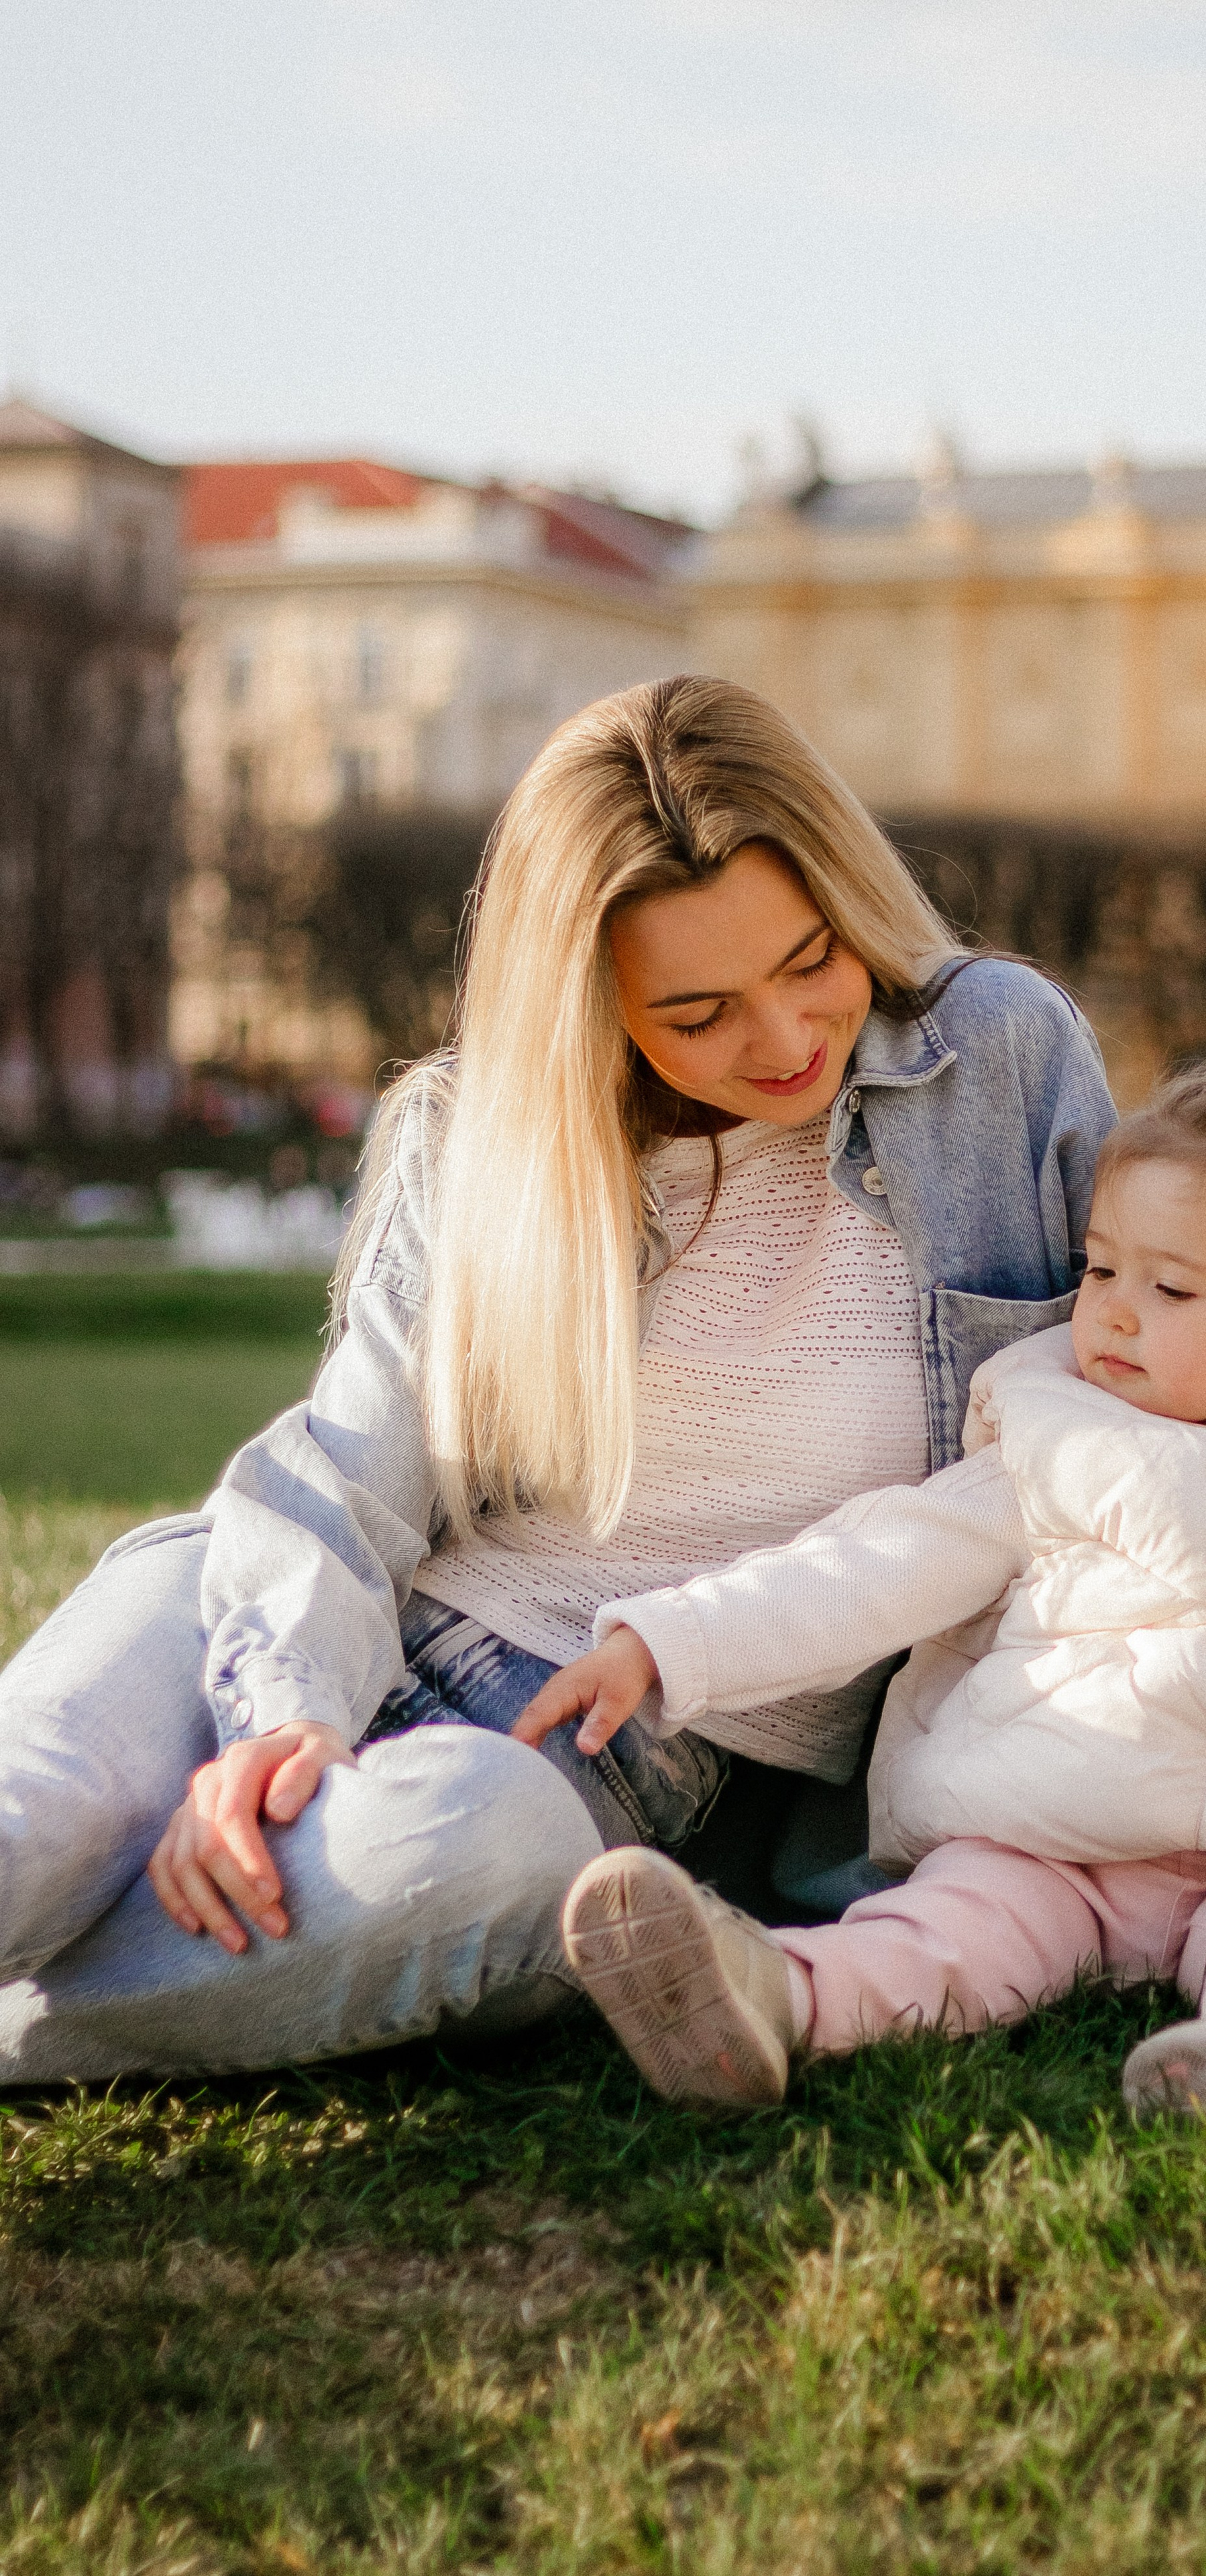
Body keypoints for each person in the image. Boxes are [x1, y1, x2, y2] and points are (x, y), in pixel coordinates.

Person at [0, 676, 1113, 2082]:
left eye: (810, 959)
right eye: (698, 1013)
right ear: (590, 1005)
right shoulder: (488, 1130)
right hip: (288, 1622)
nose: (784, 1041)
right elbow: (349, 1477)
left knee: (474, 1842)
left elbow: (1153, 1388)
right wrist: (282, 1718)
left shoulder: (998, 1058)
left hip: (588, 1778)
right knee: (37, 1823)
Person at [535, 965, 1206, 2122]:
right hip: (1049, 1843)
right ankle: (777, 1995)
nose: (1114, 1308)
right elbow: (869, 1568)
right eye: (1101, 1267)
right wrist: (669, 1644)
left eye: (1172, 1288)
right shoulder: (1052, 1444)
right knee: (948, 1931)